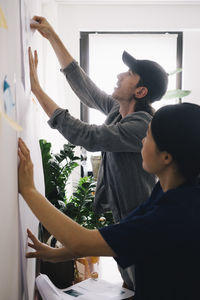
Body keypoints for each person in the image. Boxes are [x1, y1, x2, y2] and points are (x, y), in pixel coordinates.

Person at [29, 16, 168, 289]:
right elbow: (87, 90)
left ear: (140, 90)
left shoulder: (141, 125)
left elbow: (88, 136)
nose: (120, 75)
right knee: (131, 287)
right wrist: (52, 36)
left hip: (138, 227)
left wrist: (37, 90)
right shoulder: (120, 111)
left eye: (129, 74)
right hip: (126, 224)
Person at [18, 102, 200, 300]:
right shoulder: (169, 191)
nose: (142, 140)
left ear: (166, 157)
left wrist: (28, 190)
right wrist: (56, 254)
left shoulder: (174, 215)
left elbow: (81, 241)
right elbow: (117, 235)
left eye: (148, 136)